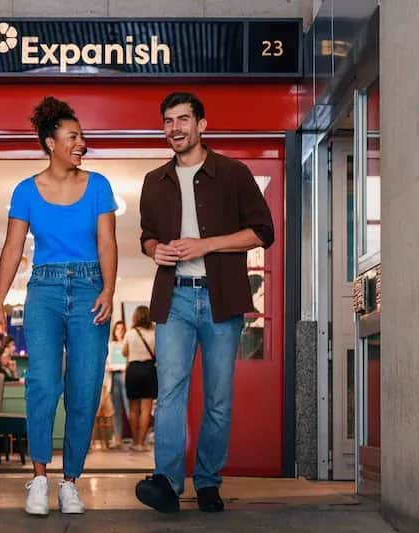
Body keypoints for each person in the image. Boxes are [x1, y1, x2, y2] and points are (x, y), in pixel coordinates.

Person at [134, 92, 274, 514]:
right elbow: (146, 236)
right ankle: (168, 483)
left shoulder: (233, 173)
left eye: (182, 120)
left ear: (202, 125)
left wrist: (206, 245)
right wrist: (154, 248)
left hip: (220, 299)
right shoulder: (153, 182)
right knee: (171, 392)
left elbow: (262, 232)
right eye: (168, 122)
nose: (174, 128)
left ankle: (209, 482)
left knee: (217, 398)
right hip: (173, 297)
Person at [0, 96, 117, 516]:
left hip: (89, 289)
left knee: (83, 389)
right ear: (50, 142)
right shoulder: (26, 191)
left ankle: (71, 482)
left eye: (81, 136)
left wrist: (108, 290)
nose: (81, 143)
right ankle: (39, 478)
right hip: (42, 291)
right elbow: (11, 248)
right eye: (73, 137)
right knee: (43, 384)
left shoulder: (98, 185)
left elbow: (107, 242)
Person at [123, 306, 156, 452]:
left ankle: (135, 441)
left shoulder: (130, 333)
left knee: (133, 409)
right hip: (149, 369)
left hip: (133, 370)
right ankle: (141, 443)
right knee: (146, 409)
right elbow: (157, 352)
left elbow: (124, 352)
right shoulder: (154, 333)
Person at [106, 320, 129, 449]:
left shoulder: (128, 343)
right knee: (117, 409)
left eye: (122, 329)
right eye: (117, 329)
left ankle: (138, 439)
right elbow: (107, 362)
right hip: (114, 377)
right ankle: (118, 438)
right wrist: (108, 366)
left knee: (129, 408)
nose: (119, 331)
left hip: (125, 377)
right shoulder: (111, 345)